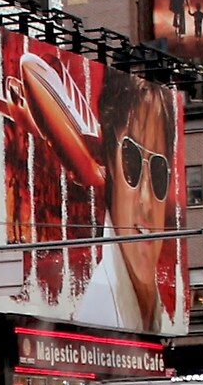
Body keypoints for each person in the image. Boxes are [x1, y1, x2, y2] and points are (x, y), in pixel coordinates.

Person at [75, 70, 184, 332]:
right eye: (131, 160)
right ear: (110, 162)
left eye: (159, 171)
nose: (146, 200)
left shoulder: (157, 316)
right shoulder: (99, 312)